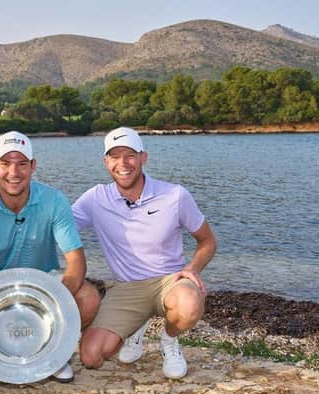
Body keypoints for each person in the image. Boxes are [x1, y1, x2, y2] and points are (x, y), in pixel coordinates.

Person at [0, 130, 101, 383]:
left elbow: (75, 259)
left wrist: (57, 297)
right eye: (5, 164)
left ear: (33, 166)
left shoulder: (54, 200)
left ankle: (55, 355)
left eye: (22, 164)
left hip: (45, 279)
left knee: (89, 297)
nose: (13, 173)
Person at [72, 127, 217, 379]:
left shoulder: (175, 195)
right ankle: (136, 327)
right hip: (127, 288)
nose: (123, 163)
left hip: (169, 282)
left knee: (189, 305)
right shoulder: (95, 198)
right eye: (115, 156)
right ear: (106, 162)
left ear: (143, 158)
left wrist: (192, 269)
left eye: (129, 155)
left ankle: (169, 340)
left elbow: (207, 241)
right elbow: (56, 226)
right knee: (91, 357)